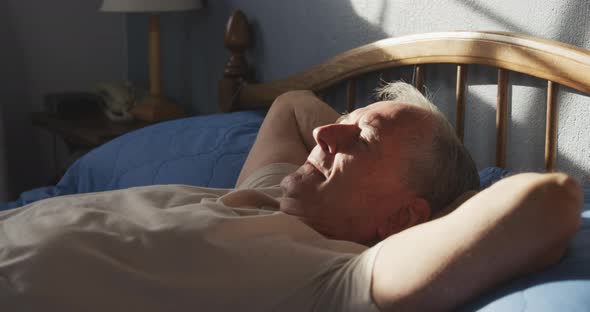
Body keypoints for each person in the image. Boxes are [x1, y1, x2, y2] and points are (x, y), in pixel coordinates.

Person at [0, 82, 581, 312]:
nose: (326, 135)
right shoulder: (260, 196)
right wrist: (349, 150)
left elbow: (551, 200)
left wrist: (432, 221)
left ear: (405, 216)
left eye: (360, 139)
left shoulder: (334, 277)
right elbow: (292, 105)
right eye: (342, 121)